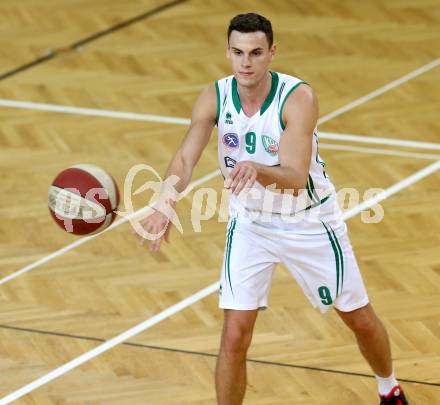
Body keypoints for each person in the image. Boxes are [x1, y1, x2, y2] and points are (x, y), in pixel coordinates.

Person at [138, 12, 409, 405]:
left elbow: (296, 177)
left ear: (271, 53)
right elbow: (184, 158)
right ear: (227, 52)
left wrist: (257, 169)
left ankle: (389, 386)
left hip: (309, 222)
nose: (245, 63)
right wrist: (164, 202)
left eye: (255, 53)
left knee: (358, 318)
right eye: (237, 52)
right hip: (251, 224)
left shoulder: (298, 98)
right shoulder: (214, 95)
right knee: (234, 334)